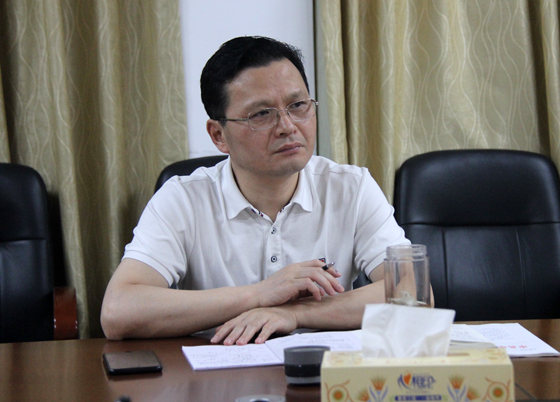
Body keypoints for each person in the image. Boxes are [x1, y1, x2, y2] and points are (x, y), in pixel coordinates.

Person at [100, 36, 410, 345]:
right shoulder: (183, 199)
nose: (287, 126)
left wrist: (295, 314)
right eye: (261, 114)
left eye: (297, 105)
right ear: (218, 135)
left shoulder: (351, 187)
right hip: (221, 370)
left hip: (325, 371)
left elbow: (410, 292)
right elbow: (118, 311)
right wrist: (258, 294)